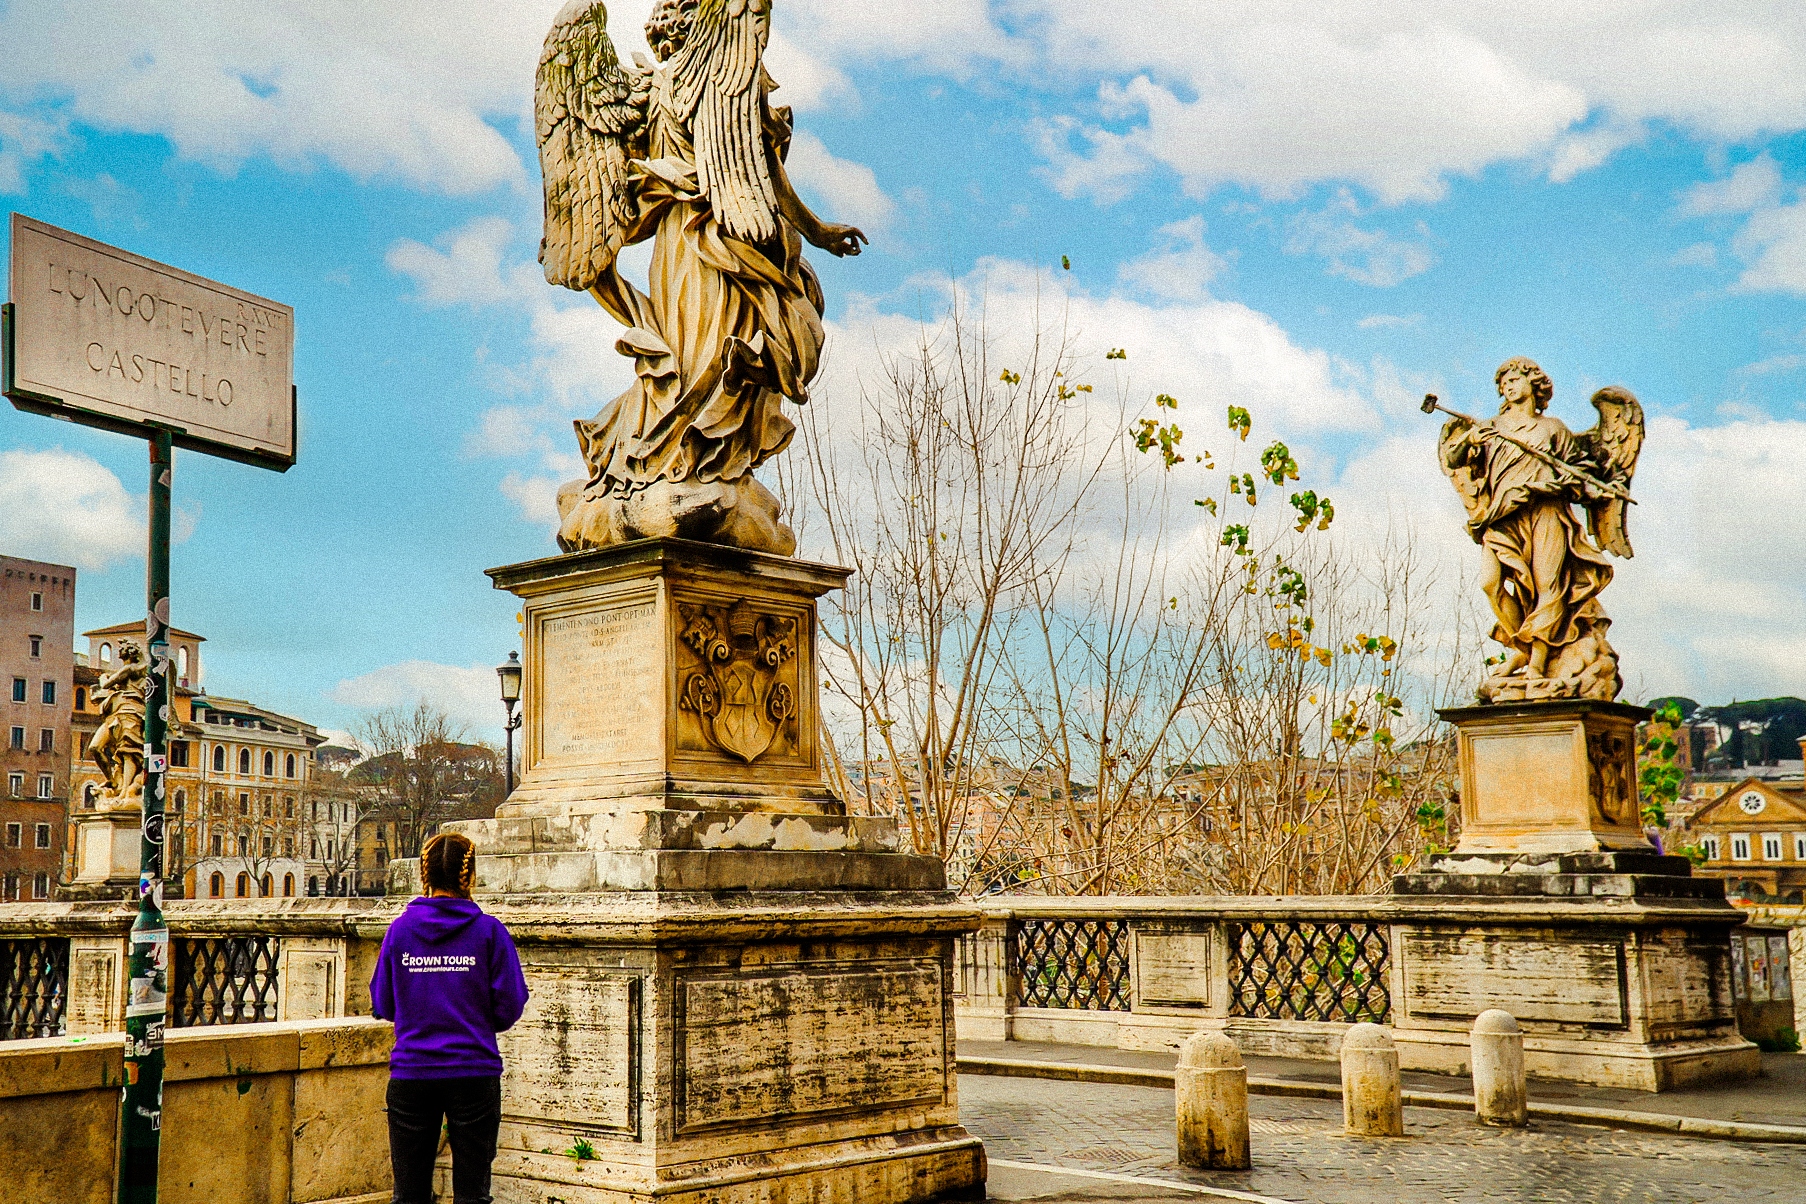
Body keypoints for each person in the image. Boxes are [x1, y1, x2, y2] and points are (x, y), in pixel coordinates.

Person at [372, 832, 529, 1204]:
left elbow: (383, 1003)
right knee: (473, 1194)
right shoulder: (489, 932)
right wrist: (472, 1019)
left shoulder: (400, 931)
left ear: (424, 876)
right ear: (469, 875)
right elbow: (510, 1004)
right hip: (473, 1071)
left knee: (409, 1195)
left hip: (413, 1072)